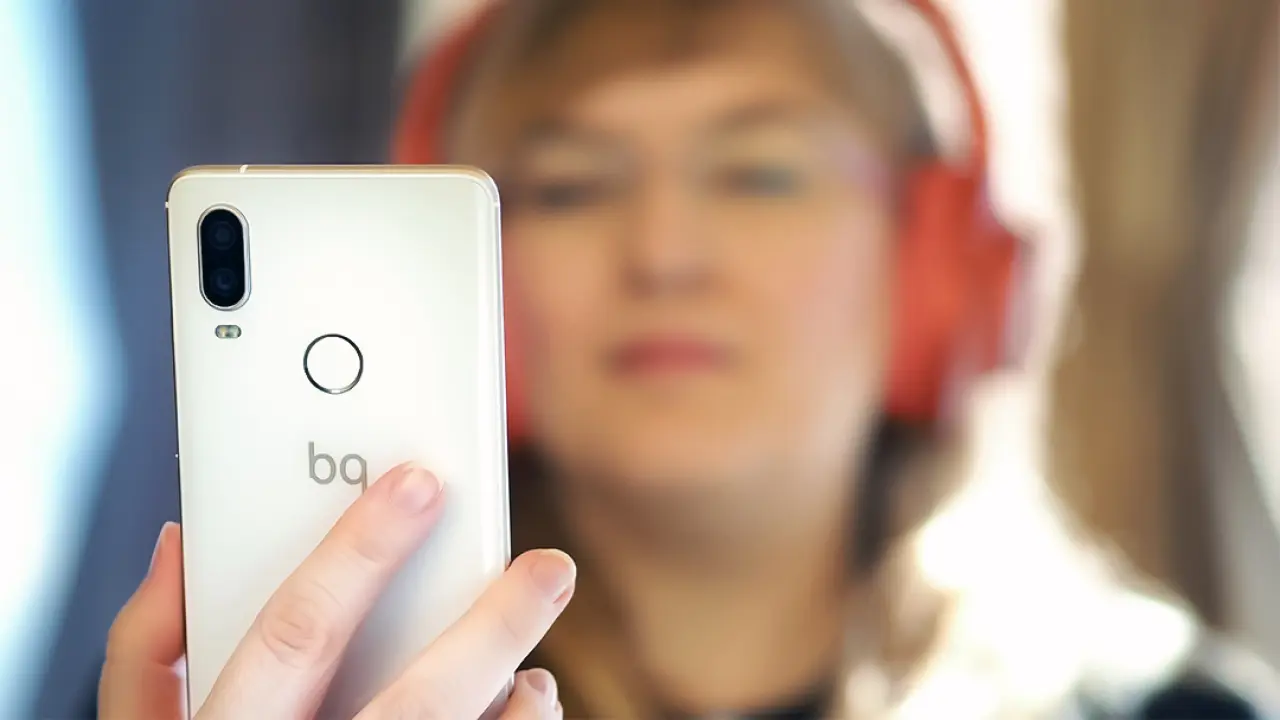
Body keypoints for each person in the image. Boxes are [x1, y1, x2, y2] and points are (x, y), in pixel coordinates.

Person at [99, 1, 1279, 717]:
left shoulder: (1181, 711)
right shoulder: (260, 697)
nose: (662, 253)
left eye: (759, 173)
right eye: (570, 186)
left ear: (935, 272)